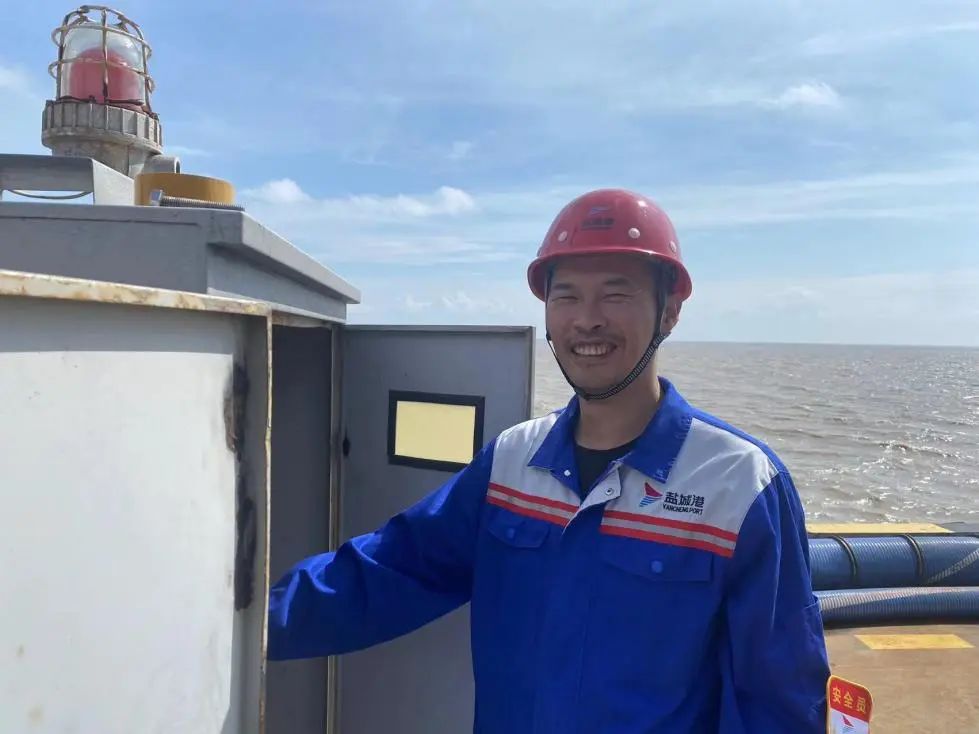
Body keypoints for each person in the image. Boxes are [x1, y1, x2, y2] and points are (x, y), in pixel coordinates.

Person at [268, 188, 831, 732]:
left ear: (670, 312)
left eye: (615, 294)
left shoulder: (738, 484)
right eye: (566, 296)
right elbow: (393, 569)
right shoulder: (513, 463)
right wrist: (245, 620)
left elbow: (778, 699)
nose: (587, 320)